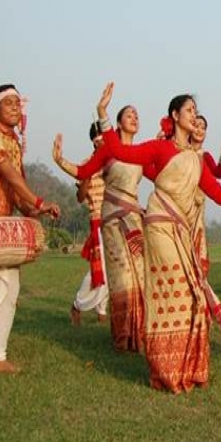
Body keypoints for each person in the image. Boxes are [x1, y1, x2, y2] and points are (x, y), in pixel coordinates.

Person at [95, 82, 221, 393]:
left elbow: (220, 195)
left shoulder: (195, 158)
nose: (195, 116)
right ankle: (165, 368)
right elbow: (119, 151)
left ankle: (185, 366)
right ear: (175, 115)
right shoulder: (160, 148)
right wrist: (103, 114)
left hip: (181, 230)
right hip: (158, 225)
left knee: (192, 297)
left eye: (196, 111)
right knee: (174, 292)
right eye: (190, 110)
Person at [54, 104, 148, 352]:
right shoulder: (105, 153)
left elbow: (160, 170)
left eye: (137, 115)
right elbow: (82, 173)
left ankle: (136, 328)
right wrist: (59, 160)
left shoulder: (138, 151)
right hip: (108, 220)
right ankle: (121, 332)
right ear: (116, 125)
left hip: (133, 218)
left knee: (137, 272)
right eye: (129, 114)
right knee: (115, 274)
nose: (135, 118)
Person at [0, 83, 60, 374]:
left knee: (10, 288)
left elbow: (16, 187)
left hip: (3, 224)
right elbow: (7, 174)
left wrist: (37, 210)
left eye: (17, 103)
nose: (14, 107)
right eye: (8, 102)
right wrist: (39, 200)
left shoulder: (14, 143)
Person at [66, 124, 109, 326]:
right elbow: (80, 197)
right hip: (99, 219)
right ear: (94, 140)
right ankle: (78, 304)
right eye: (101, 138)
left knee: (113, 267)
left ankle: (102, 309)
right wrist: (86, 177)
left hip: (116, 219)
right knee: (99, 269)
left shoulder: (113, 161)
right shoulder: (87, 164)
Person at [189, 114, 221, 320]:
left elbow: (218, 173)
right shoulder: (180, 151)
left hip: (197, 213)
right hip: (179, 210)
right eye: (195, 125)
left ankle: (197, 300)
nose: (198, 129)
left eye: (203, 127)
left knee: (199, 256)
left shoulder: (205, 157)